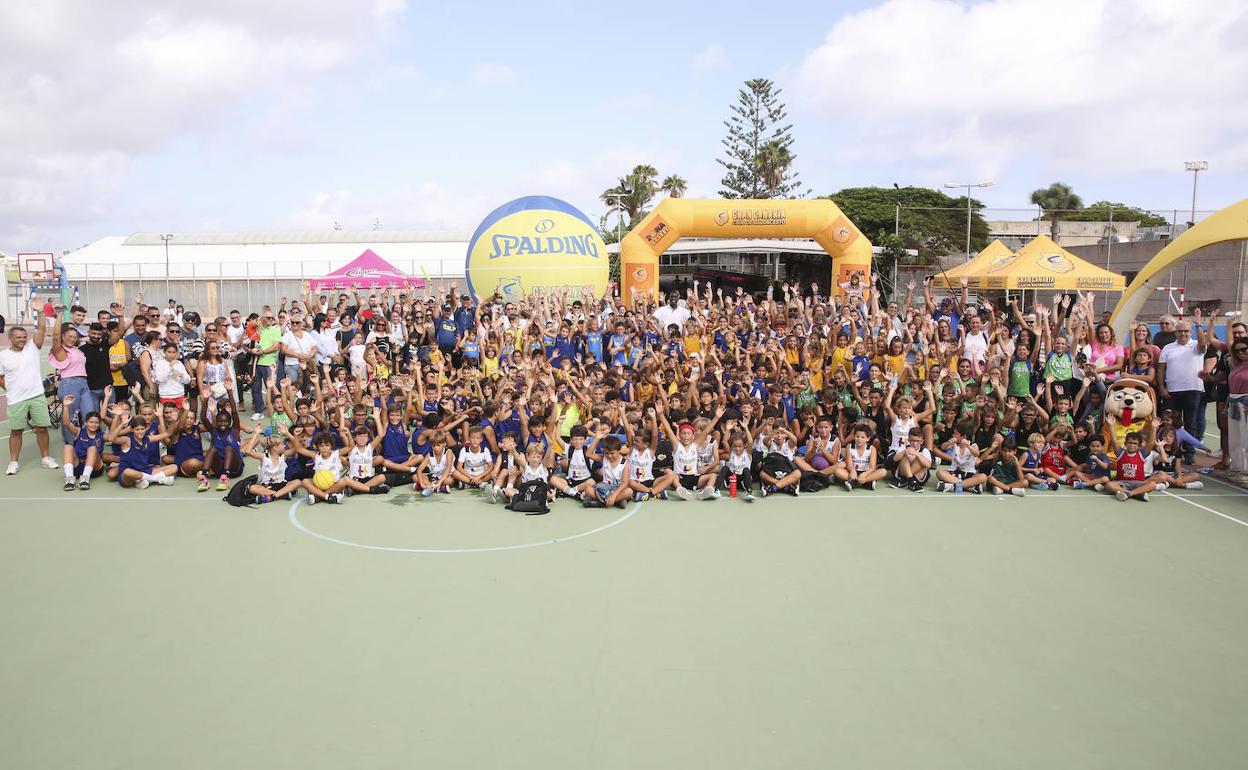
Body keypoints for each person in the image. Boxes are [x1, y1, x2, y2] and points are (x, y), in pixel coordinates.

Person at [1, 311, 58, 474]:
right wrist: (10, 389)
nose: (22, 339)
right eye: (18, 337)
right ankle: (13, 462)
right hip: (16, 400)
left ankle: (45, 458)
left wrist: (40, 312)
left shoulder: (32, 348)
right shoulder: (3, 356)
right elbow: (0, 377)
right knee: (16, 431)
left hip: (37, 396)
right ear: (10, 338)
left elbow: (41, 329)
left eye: (24, 337)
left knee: (42, 429)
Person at [1157, 319, 1206, 462]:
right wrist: (1162, 387)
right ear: (1175, 333)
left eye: (1186, 331)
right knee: (1171, 423)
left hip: (1193, 390)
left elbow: (1203, 345)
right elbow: (1161, 369)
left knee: (1190, 423)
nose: (1183, 334)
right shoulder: (1167, 348)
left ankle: (1189, 454)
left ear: (1191, 332)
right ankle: (1172, 451)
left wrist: (1198, 325)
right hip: (1172, 391)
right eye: (1180, 331)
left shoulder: (1197, 345)